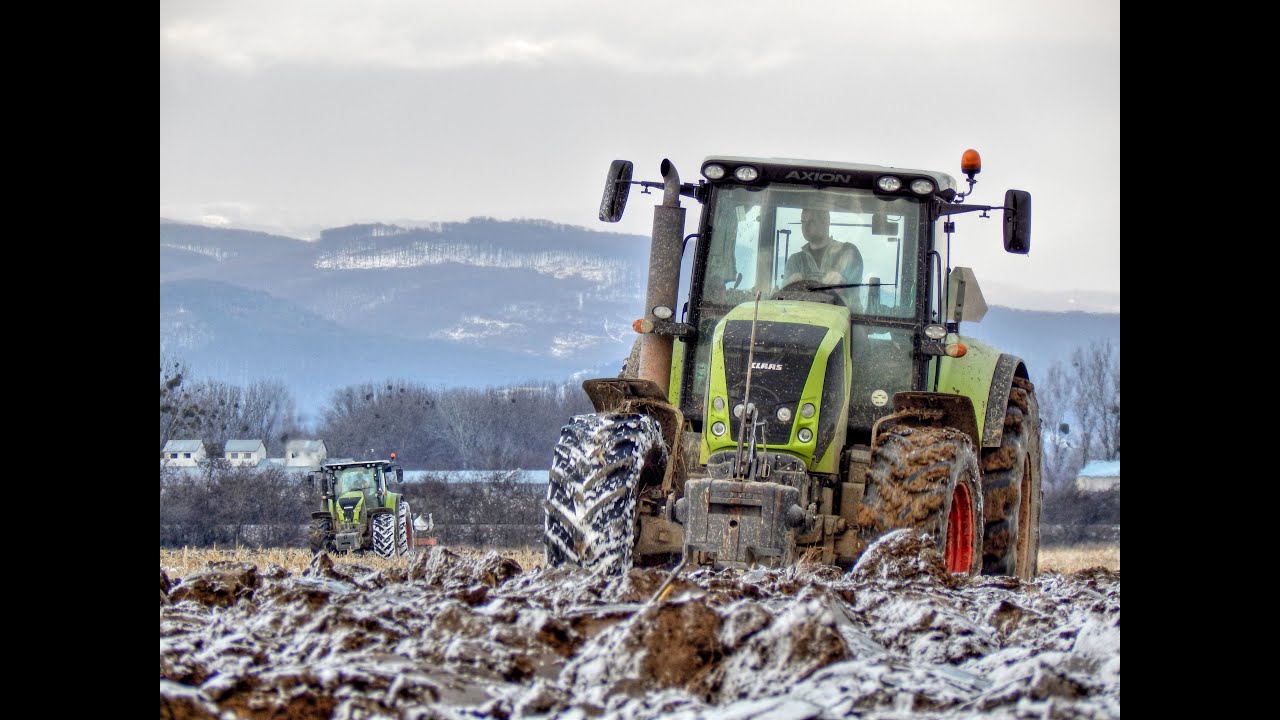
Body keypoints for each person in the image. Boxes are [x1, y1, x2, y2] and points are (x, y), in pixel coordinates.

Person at [782, 208, 863, 289]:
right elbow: (783, 297)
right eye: (803, 222)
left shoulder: (848, 253)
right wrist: (790, 286)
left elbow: (853, 287)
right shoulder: (795, 262)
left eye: (811, 221)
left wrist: (842, 283)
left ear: (826, 221)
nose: (805, 227)